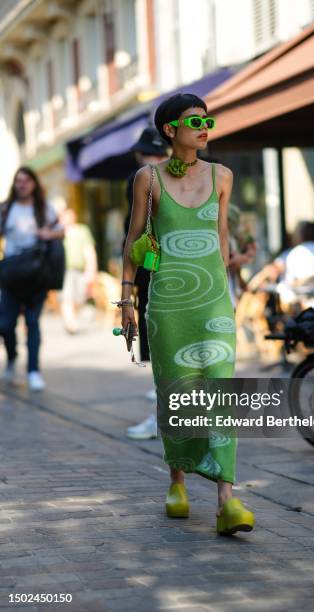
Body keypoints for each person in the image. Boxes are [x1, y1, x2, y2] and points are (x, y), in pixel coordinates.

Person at [121, 93, 255, 535]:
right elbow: (135, 242)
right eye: (194, 121)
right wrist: (127, 299)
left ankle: (226, 501)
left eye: (207, 120)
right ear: (169, 130)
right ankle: (176, 483)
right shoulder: (149, 178)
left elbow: (220, 241)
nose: (204, 127)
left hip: (214, 302)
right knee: (175, 394)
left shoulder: (222, 175)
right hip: (166, 306)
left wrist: (232, 292)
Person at [0, 167, 64, 391]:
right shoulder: (6, 209)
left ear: (34, 183)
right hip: (11, 275)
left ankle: (33, 371)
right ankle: (12, 356)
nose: (22, 184)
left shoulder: (44, 208)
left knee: (32, 322)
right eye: (18, 180)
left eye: (27, 180)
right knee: (5, 324)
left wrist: (49, 234)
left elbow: (62, 231)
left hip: (37, 275)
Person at [123, 127, 169, 440]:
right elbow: (136, 232)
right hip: (150, 270)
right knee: (154, 344)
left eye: (157, 153)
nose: (152, 160)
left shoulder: (200, 175)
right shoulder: (139, 180)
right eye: (147, 154)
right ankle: (163, 417)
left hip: (187, 271)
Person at [60, 208, 97, 334]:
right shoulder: (58, 232)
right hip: (64, 270)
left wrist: (92, 270)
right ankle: (70, 323)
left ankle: (71, 318)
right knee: (67, 297)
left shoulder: (82, 230)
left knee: (80, 297)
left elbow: (89, 250)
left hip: (80, 270)